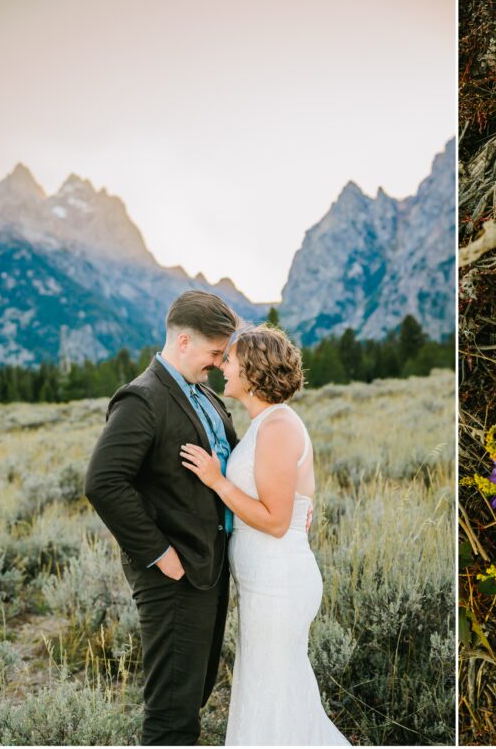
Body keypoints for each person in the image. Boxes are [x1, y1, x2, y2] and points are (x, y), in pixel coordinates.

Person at [180, 323, 349, 746]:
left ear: (253, 372)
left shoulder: (277, 427)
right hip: (264, 587)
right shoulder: (265, 425)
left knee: (277, 699)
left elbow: (275, 520)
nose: (223, 366)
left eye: (231, 360)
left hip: (279, 587)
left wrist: (217, 482)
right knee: (266, 695)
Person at [84, 290, 239, 745]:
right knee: (171, 713)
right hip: (174, 576)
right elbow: (104, 482)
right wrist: (161, 555)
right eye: (214, 352)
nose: (217, 362)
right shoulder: (142, 398)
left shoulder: (205, 396)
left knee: (193, 692)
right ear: (185, 341)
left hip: (209, 567)